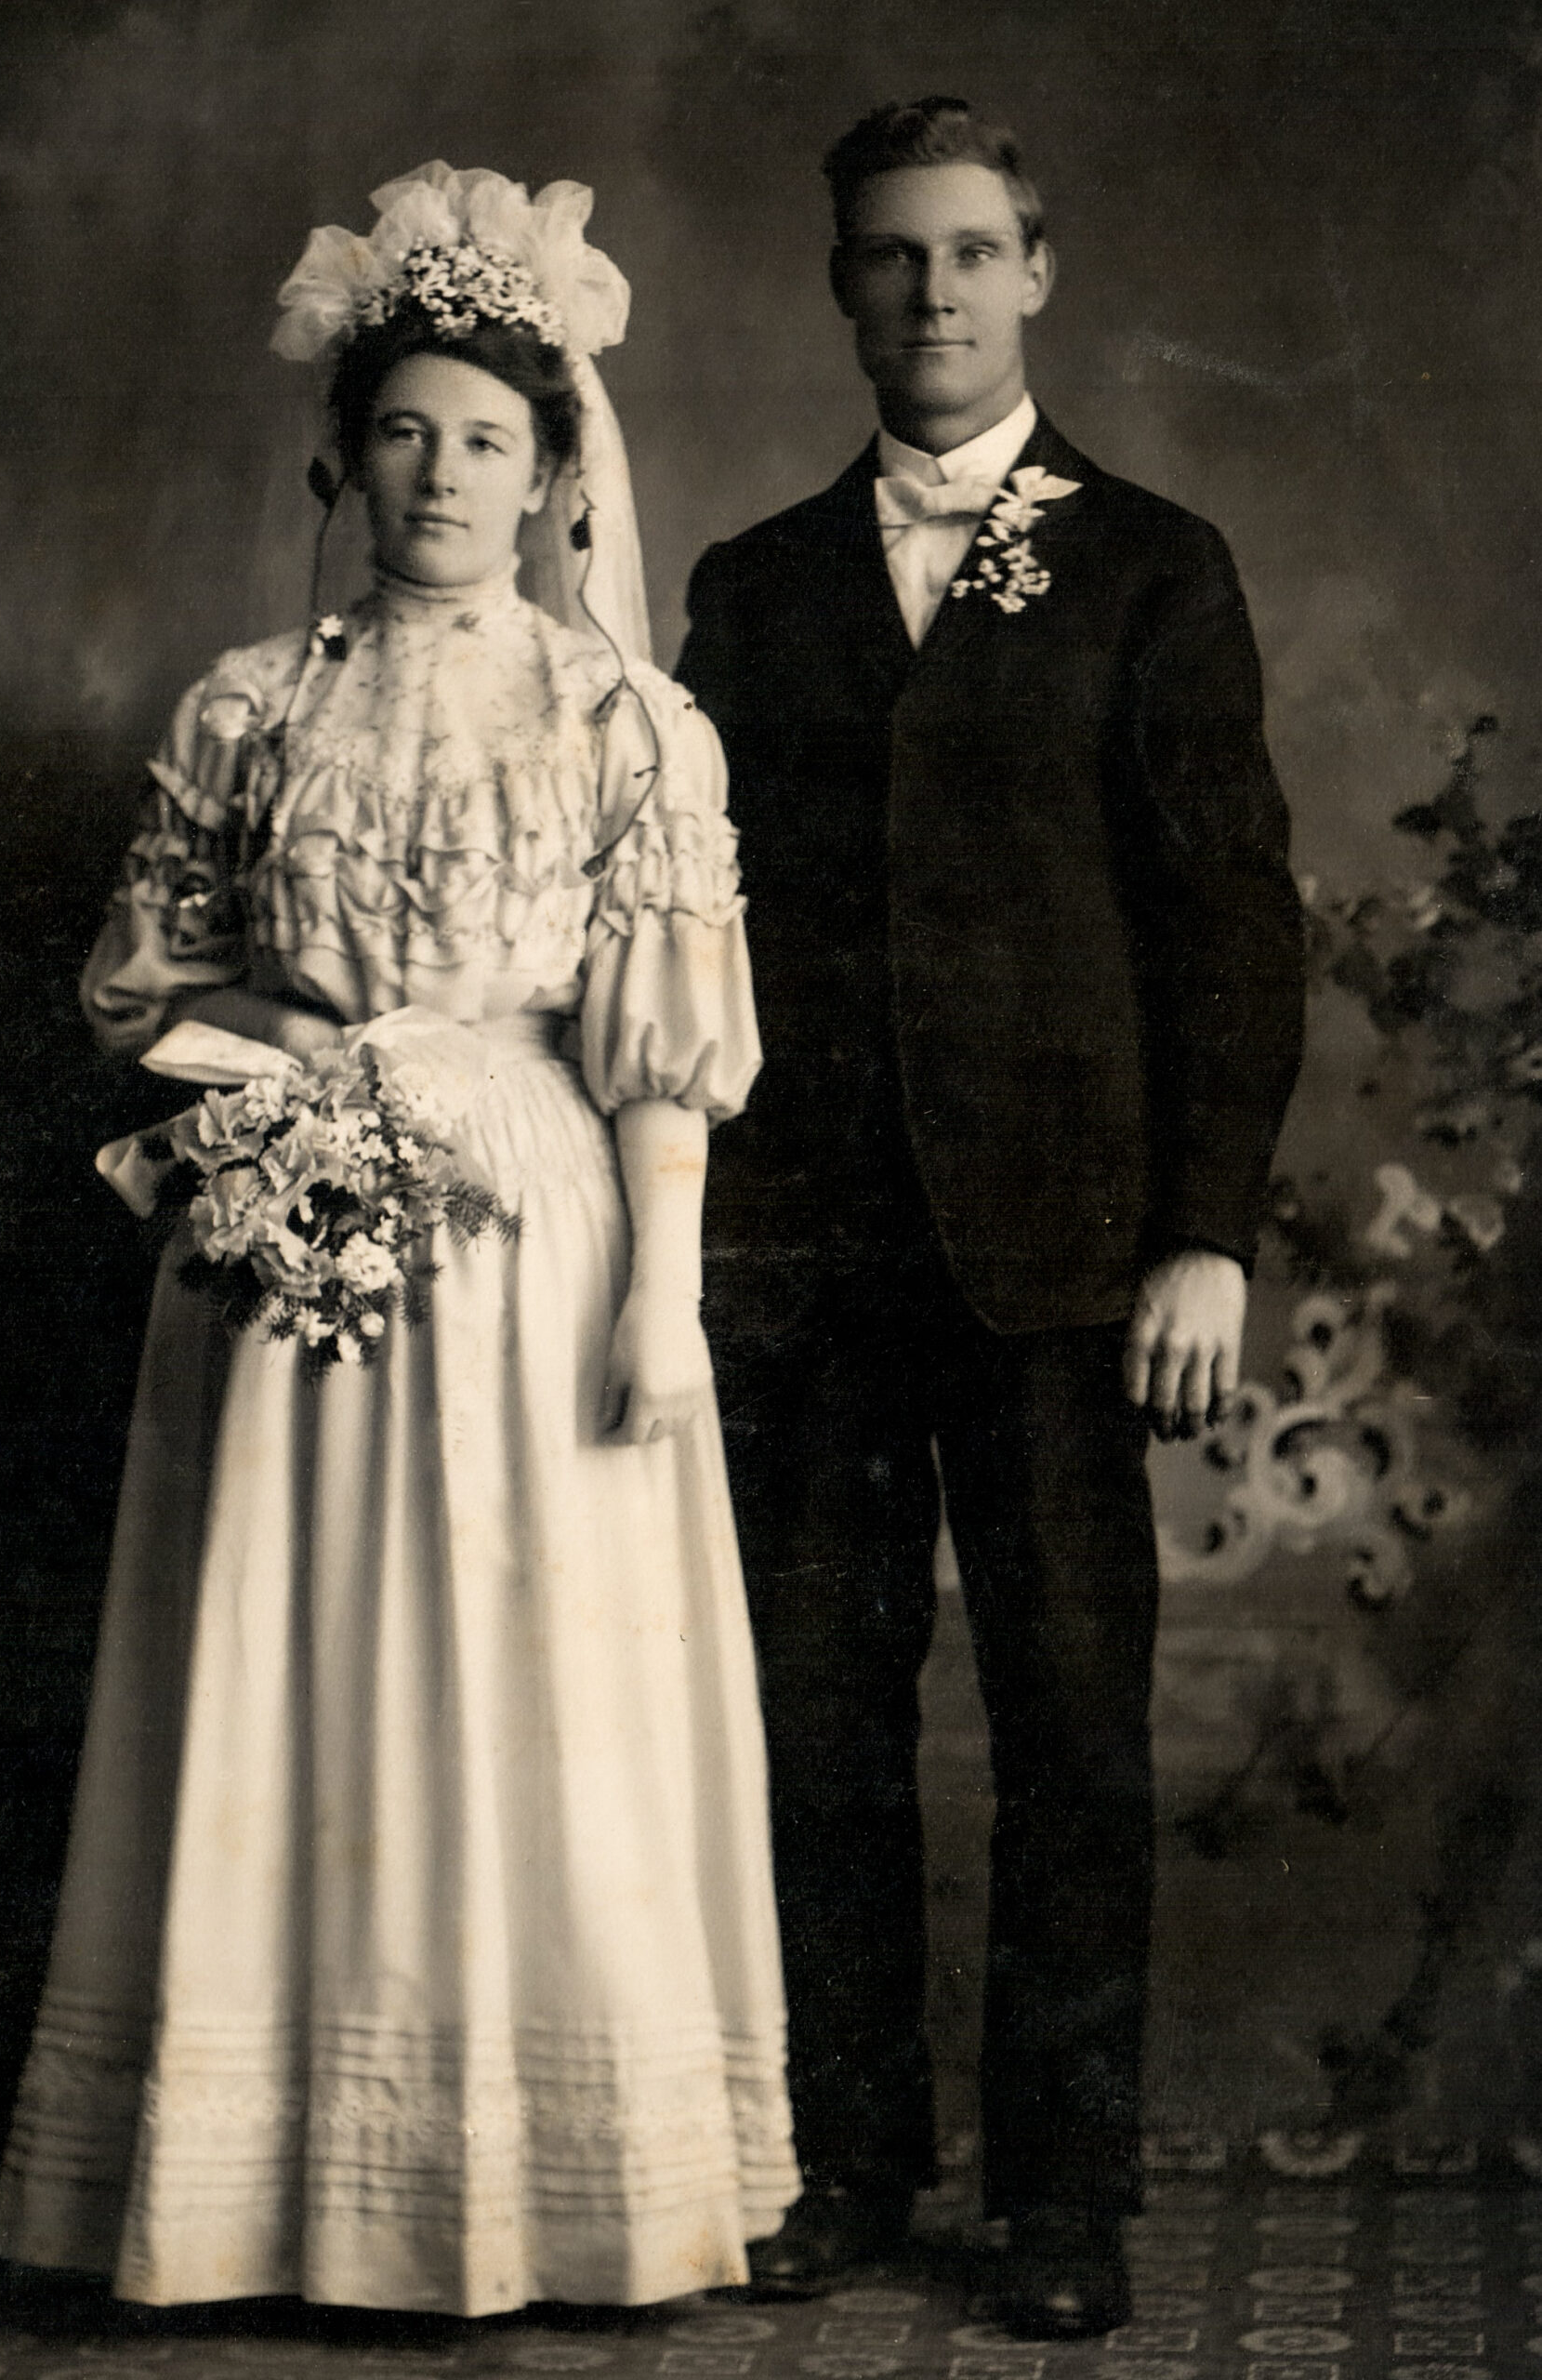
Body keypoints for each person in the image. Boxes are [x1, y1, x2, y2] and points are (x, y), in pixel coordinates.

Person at [0, 161, 797, 2318]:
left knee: (537, 1681)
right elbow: (142, 990)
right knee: (292, 1652)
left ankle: (554, 2190)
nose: (445, 473)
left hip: (537, 1242)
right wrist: (309, 1074)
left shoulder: (627, 716)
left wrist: (664, 1297)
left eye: (492, 438)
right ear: (344, 453)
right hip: (290, 1218)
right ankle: (273, 2194)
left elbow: (655, 1043)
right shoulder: (249, 703)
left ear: (553, 475)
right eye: (409, 431)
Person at [677, 100, 1305, 2339]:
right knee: (816, 1718)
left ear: (1036, 271)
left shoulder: (1154, 562)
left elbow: (1231, 927)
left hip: (1065, 1264)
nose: (928, 296)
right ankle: (845, 2160)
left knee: (1068, 1732)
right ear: (839, 287)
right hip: (812, 1267)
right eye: (885, 259)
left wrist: (1205, 1232)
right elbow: (689, 923)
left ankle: (1062, 2202)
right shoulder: (750, 588)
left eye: (966, 254)